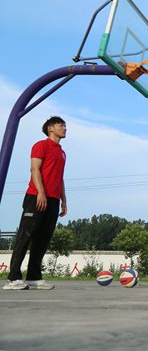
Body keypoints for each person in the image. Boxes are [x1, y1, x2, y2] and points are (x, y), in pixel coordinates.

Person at [4, 117, 68, 290]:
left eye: (65, 126)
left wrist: (63, 200)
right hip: (36, 196)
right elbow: (34, 169)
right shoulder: (41, 145)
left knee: (42, 240)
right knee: (25, 237)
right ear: (50, 128)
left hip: (53, 200)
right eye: (61, 125)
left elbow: (60, 177)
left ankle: (33, 276)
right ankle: (13, 278)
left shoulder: (62, 152)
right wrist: (41, 192)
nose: (64, 128)